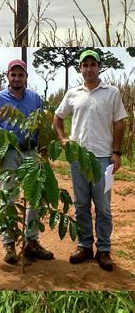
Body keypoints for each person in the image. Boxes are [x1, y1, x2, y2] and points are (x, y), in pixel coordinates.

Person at [53, 49, 128, 271]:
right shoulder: (73, 93)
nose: (88, 69)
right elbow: (58, 117)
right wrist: (64, 139)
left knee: (103, 207)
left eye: (92, 64)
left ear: (99, 67)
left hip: (103, 158)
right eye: (84, 65)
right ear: (80, 69)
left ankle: (103, 250)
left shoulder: (111, 92)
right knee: (81, 204)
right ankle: (85, 245)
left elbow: (119, 123)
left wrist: (117, 152)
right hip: (78, 159)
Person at [0, 59, 54, 264]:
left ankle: (31, 241)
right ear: (7, 76)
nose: (16, 78)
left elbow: (43, 127)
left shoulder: (35, 99)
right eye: (13, 75)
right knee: (9, 197)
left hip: (31, 153)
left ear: (26, 77)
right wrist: (1, 133)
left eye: (20, 75)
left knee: (36, 196)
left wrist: (44, 152)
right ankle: (9, 243)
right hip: (10, 153)